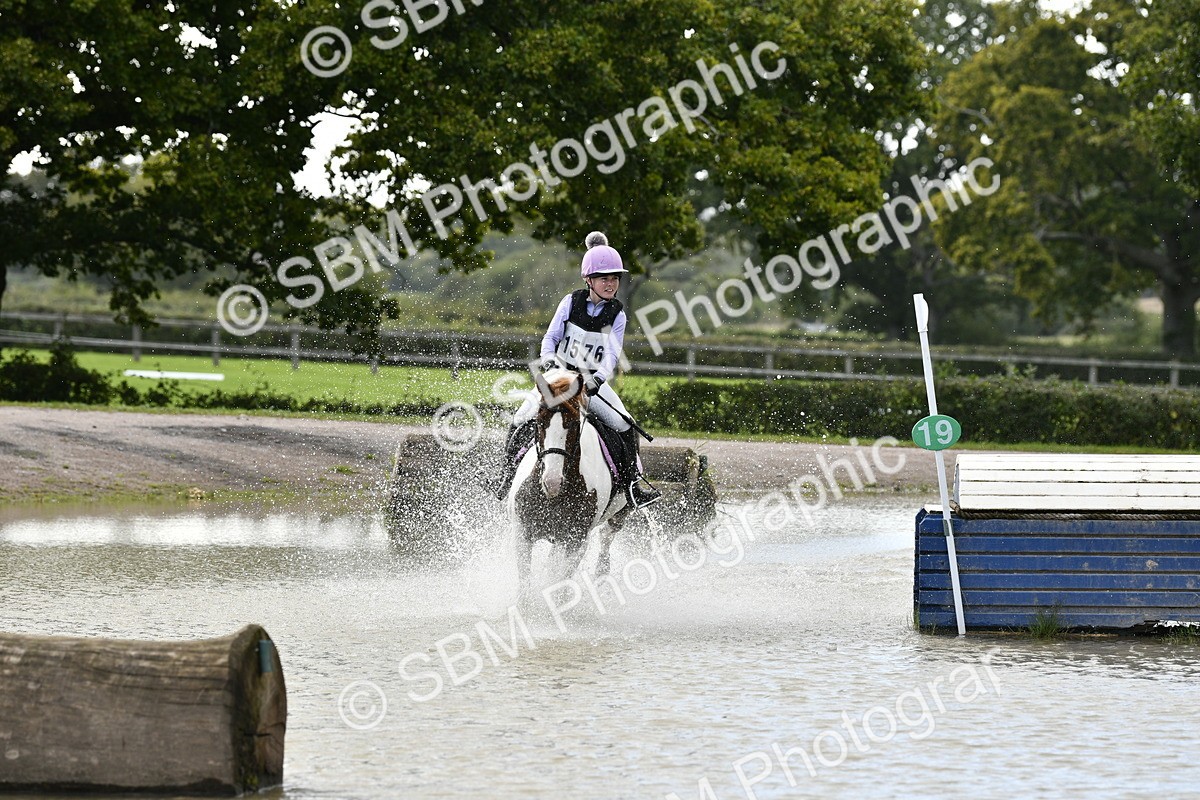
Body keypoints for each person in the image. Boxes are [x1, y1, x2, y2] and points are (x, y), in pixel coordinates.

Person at [495, 231, 662, 508]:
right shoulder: (570, 303)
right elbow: (550, 338)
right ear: (589, 280)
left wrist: (597, 379)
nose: (611, 284)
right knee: (519, 418)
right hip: (559, 377)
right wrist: (548, 362)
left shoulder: (617, 314)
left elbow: (611, 353)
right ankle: (506, 475)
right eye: (604, 278)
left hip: (591, 382)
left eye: (615, 278)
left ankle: (633, 487)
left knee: (624, 424)